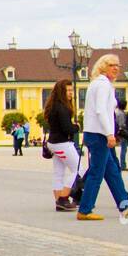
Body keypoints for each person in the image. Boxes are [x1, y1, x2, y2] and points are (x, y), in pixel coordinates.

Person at [76, 55, 128, 221]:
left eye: (117, 65)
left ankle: (125, 205)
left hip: (96, 133)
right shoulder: (103, 85)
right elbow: (101, 111)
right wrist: (109, 133)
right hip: (99, 135)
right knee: (96, 173)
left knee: (112, 171)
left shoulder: (98, 84)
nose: (116, 68)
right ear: (103, 67)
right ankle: (84, 209)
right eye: (111, 65)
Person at [44, 78, 80, 211]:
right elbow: (67, 128)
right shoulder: (62, 108)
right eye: (68, 90)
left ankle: (58, 200)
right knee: (79, 169)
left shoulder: (53, 106)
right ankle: (63, 197)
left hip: (53, 143)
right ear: (61, 92)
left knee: (58, 172)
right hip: (62, 143)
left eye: (72, 90)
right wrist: (76, 127)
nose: (71, 93)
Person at [115, 97, 128, 167]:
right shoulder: (121, 113)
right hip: (122, 132)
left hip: (117, 131)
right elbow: (121, 124)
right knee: (124, 149)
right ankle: (123, 164)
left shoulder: (116, 111)